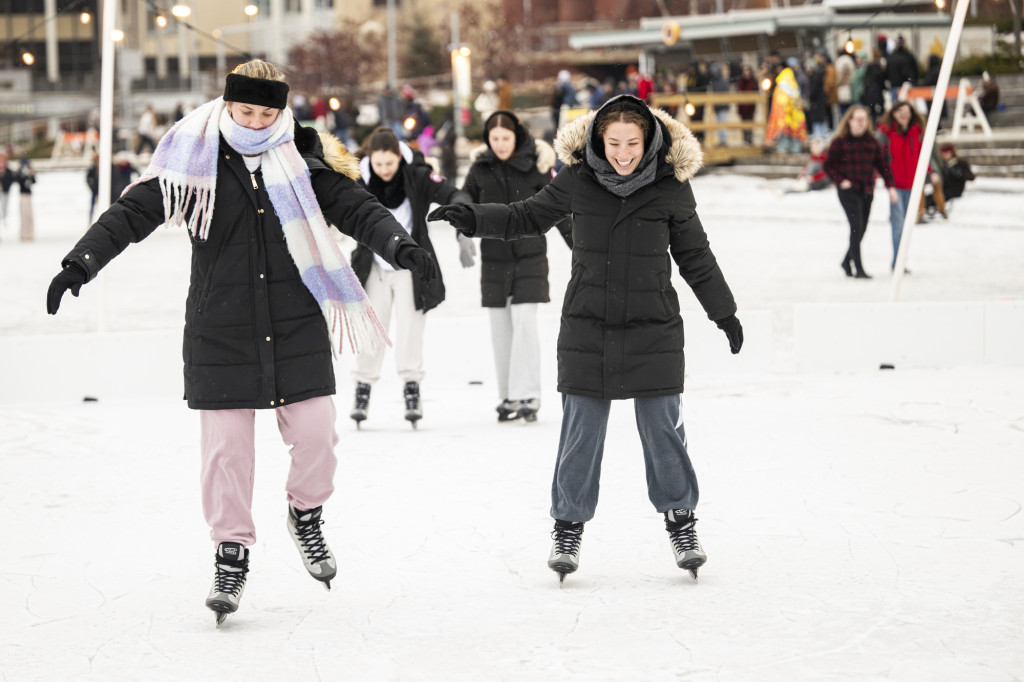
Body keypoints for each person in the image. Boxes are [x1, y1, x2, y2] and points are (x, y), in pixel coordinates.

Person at [45, 59, 438, 625]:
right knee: (227, 454)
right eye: (245, 110)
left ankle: (305, 514)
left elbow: (358, 208)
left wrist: (401, 247)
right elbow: (132, 213)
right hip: (220, 327)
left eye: (267, 112)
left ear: (283, 111)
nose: (255, 122)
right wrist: (80, 264)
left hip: (295, 323)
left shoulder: (304, 160)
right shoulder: (192, 160)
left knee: (317, 436)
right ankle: (231, 552)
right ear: (227, 104)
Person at [428, 94, 743, 583]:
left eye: (632, 144)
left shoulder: (670, 186)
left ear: (650, 141)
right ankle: (567, 528)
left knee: (664, 432)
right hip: (588, 323)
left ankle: (681, 522)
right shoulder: (577, 179)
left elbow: (696, 256)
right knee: (581, 434)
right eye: (613, 143)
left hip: (652, 325)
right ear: (598, 139)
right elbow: (525, 216)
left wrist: (725, 314)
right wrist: (473, 219)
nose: (622, 153)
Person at [348, 126, 470, 428]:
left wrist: (465, 219)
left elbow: (451, 193)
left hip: (410, 269)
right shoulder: (357, 181)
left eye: (390, 163)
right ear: (370, 161)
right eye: (379, 165)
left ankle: (411, 388)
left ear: (398, 159)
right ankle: (363, 388)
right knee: (372, 330)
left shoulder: (415, 175)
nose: (385, 170)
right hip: (373, 267)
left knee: (410, 330)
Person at [461, 110, 572, 423]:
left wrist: (580, 247)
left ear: (516, 137)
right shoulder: (480, 168)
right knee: (500, 328)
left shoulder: (537, 165)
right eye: (494, 139)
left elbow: (558, 208)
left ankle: (530, 395)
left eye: (505, 138)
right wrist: (461, 232)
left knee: (524, 324)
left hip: (530, 256)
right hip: (494, 260)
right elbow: (464, 203)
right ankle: (508, 394)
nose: (499, 145)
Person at [824, 105, 897, 279]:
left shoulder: (872, 142)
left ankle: (846, 261)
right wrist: (840, 181)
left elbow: (883, 166)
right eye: (858, 119)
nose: (862, 123)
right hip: (849, 191)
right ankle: (858, 268)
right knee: (856, 227)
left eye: (864, 119)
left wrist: (890, 186)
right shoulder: (840, 142)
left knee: (862, 228)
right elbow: (828, 166)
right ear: (849, 121)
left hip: (867, 190)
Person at [876, 100, 927, 270]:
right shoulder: (886, 133)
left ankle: (900, 260)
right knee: (898, 225)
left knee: (907, 226)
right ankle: (898, 263)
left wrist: (931, 173)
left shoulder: (917, 132)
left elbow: (923, 155)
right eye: (900, 112)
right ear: (893, 114)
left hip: (913, 185)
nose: (904, 116)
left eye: (907, 112)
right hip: (895, 186)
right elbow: (879, 158)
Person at [765, 57, 807, 154]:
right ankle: (794, 148)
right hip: (795, 112)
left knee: (784, 130)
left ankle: (783, 148)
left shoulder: (782, 82)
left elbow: (781, 100)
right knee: (794, 130)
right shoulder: (792, 81)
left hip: (785, 112)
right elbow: (797, 97)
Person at [16, 157, 35, 241]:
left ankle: (30, 233)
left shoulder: (30, 171)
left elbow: (34, 181)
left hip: (28, 195)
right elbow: (19, 181)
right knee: (23, 215)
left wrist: (30, 175)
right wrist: (24, 176)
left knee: (29, 215)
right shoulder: (19, 172)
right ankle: (23, 233)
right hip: (22, 195)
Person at [0, 151, 15, 235]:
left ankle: (4, 219)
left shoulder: (8, 170)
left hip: (5, 191)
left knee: (4, 206)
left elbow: (11, 179)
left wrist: (4, 186)